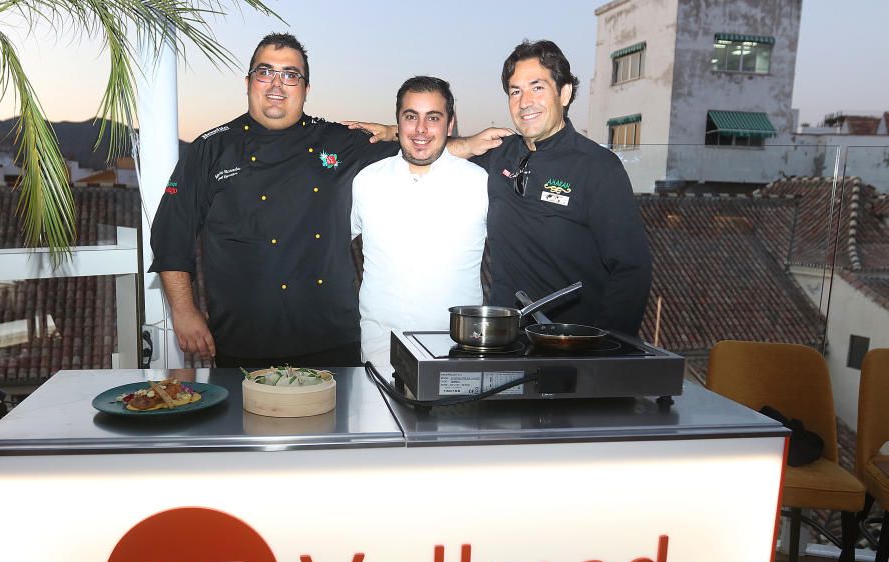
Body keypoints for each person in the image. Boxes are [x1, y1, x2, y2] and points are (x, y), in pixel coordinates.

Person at [350, 40, 651, 336]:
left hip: (571, 346)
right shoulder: (501, 154)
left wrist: (607, 350)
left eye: (537, 87)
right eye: (515, 91)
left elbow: (631, 271)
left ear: (565, 93)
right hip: (506, 342)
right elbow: (434, 147)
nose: (525, 101)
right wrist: (395, 132)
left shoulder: (598, 167)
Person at [148, 33, 399, 368]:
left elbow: (424, 148)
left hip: (331, 341)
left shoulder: (339, 141)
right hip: (242, 343)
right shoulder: (210, 149)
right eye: (265, 72)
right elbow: (170, 235)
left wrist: (395, 130)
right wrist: (183, 311)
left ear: (306, 88)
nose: (277, 84)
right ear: (248, 81)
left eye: (291, 75)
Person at [350, 76, 488, 368]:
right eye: (411, 117)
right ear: (398, 123)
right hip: (378, 355)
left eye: (433, 118)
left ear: (450, 125)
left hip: (457, 356)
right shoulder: (366, 181)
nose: (421, 129)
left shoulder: (480, 184)